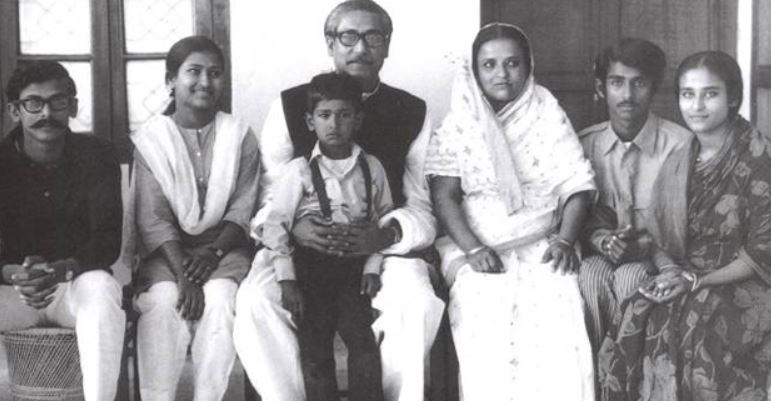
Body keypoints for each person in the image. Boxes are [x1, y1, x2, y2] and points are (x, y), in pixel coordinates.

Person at [233, 2, 444, 400]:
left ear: (387, 45)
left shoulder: (412, 111)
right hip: (299, 248)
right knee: (254, 302)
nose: (360, 48)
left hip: (379, 248)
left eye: (372, 37)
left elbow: (421, 204)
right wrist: (294, 230)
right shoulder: (290, 106)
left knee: (416, 303)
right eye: (348, 36)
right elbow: (268, 198)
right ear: (330, 44)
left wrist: (384, 237)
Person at [425, 23, 596, 401]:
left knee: (558, 314)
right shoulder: (459, 122)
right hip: (476, 248)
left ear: (528, 65)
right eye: (489, 65)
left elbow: (577, 187)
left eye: (512, 63)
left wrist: (566, 239)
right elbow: (445, 197)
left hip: (544, 245)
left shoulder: (547, 113)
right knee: (483, 316)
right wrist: (473, 250)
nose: (501, 74)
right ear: (475, 70)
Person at [598, 51, 771, 400]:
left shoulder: (758, 156)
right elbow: (660, 237)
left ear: (733, 97)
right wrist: (672, 273)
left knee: (696, 322)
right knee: (639, 310)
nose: (697, 105)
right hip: (689, 275)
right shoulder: (679, 159)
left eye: (711, 93)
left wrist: (696, 281)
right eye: (688, 94)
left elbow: (762, 252)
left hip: (744, 281)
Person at [129, 36, 259, 401]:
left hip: (224, 250)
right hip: (166, 255)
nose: (205, 82)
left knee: (220, 299)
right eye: (194, 72)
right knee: (163, 302)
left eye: (215, 73)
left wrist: (213, 254)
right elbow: (152, 219)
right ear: (171, 80)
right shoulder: (151, 141)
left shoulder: (240, 136)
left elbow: (243, 207)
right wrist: (184, 271)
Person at [262, 72, 392, 401]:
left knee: (363, 347)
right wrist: (286, 278)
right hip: (311, 273)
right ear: (310, 121)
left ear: (358, 119)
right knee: (316, 353)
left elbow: (382, 224)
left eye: (344, 115)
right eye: (324, 115)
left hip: (354, 274)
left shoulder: (372, 167)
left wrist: (372, 269)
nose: (334, 124)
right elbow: (276, 224)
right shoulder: (298, 170)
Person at [0, 60, 125, 401]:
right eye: (33, 103)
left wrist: (60, 269)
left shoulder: (98, 155)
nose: (46, 114)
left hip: (73, 285)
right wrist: (14, 274)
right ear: (15, 110)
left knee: (102, 289)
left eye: (57, 102)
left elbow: (107, 242)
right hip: (13, 291)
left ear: (73, 106)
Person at [577, 38, 692, 350]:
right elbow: (580, 216)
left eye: (639, 83)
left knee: (630, 279)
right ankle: (601, 377)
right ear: (601, 88)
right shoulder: (584, 146)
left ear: (653, 88)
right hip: (603, 255)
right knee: (588, 275)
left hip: (663, 258)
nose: (627, 96)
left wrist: (643, 248)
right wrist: (604, 240)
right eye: (617, 83)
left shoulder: (680, 146)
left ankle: (630, 375)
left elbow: (686, 225)